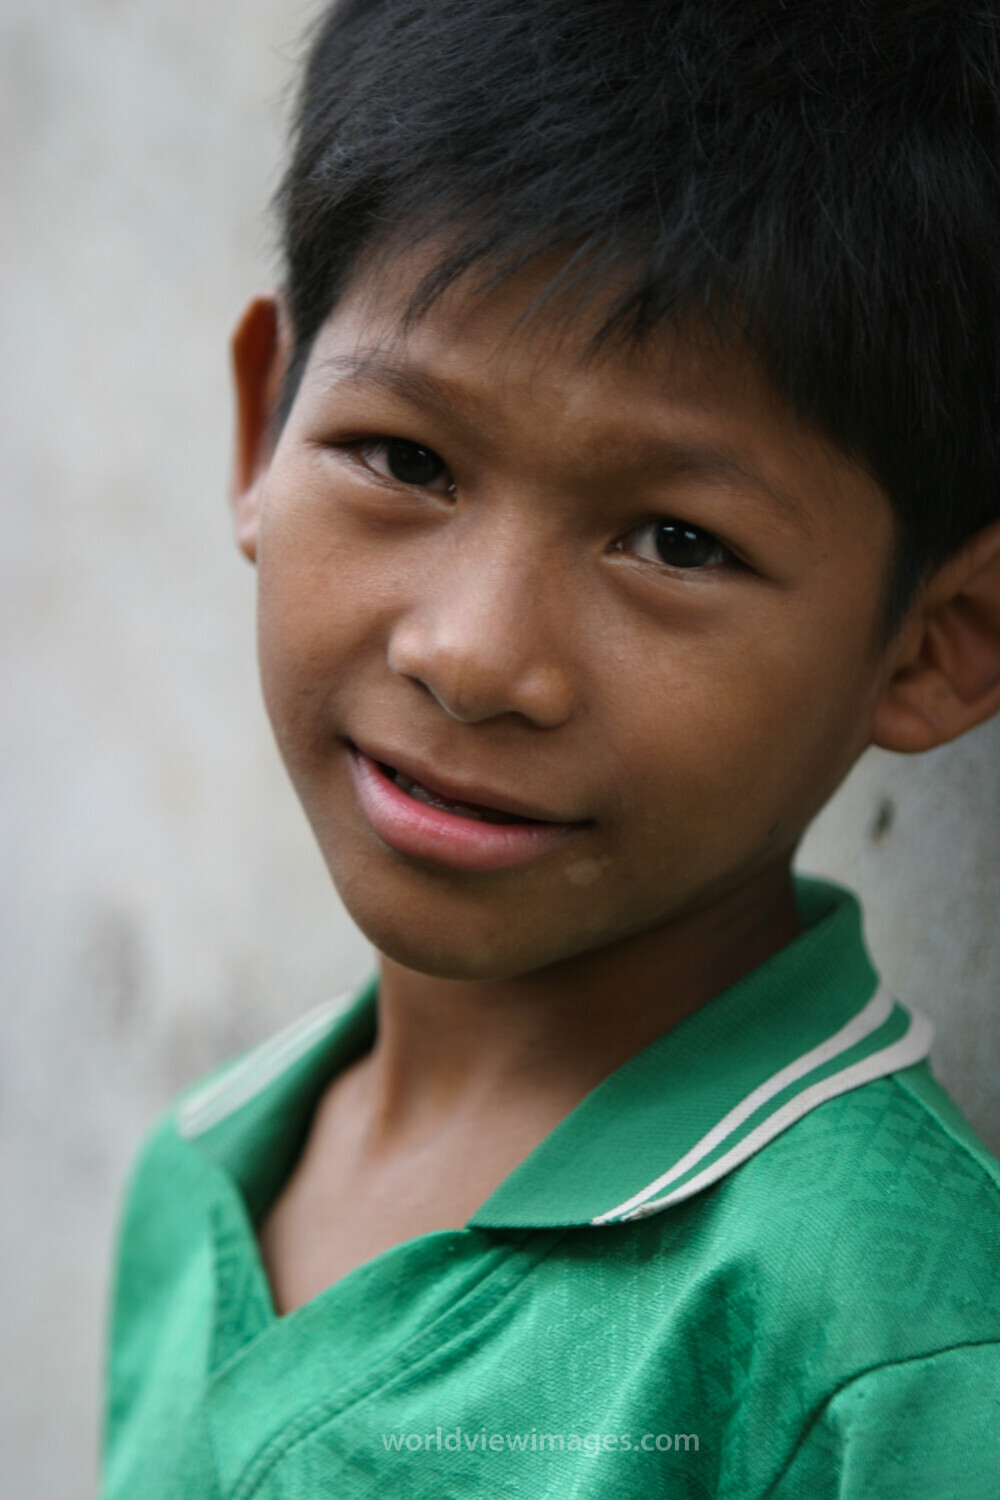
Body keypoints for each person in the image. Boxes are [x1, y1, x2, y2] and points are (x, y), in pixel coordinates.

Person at [100, 2, 1000, 1495]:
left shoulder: (878, 1357)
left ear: (937, 642)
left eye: (676, 541)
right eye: (407, 459)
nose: (473, 656)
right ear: (264, 423)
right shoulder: (199, 1172)